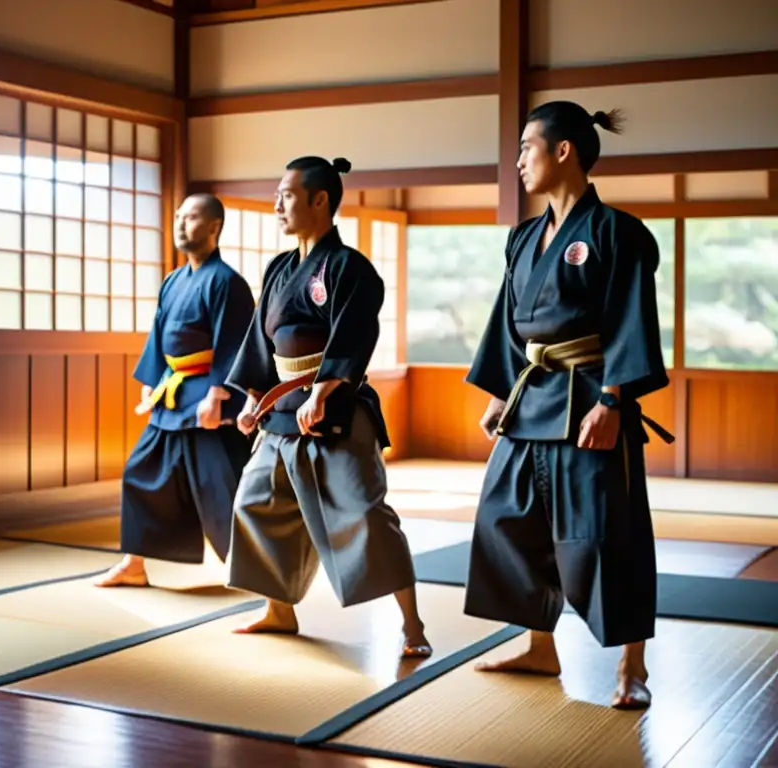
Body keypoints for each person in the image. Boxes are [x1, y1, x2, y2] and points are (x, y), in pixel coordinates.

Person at [462, 101, 674, 709]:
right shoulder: (524, 237)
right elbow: (508, 319)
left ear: (563, 151)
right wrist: (504, 392)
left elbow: (633, 320)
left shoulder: (617, 232)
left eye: (527, 146)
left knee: (608, 533)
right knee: (510, 521)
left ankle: (632, 665)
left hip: (591, 400)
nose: (519, 159)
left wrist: (613, 399)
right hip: (532, 399)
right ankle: (538, 645)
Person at [223, 155, 432, 658]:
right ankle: (278, 611)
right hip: (281, 411)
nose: (277, 204)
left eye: (287, 195)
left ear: (320, 200)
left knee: (363, 514)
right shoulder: (278, 269)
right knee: (255, 503)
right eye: (277, 194)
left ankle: (412, 624)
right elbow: (260, 343)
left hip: (334, 409)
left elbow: (354, 333)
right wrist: (253, 398)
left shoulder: (348, 268)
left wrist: (321, 392)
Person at [93, 193, 255, 588]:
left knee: (223, 486)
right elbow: (160, 336)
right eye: (179, 216)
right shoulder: (173, 280)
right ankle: (134, 564)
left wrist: (217, 395)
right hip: (174, 394)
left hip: (207, 397)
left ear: (214, 226)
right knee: (141, 472)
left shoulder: (228, 282)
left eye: (192, 217)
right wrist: (152, 382)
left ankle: (255, 571)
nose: (181, 224)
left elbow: (234, 341)